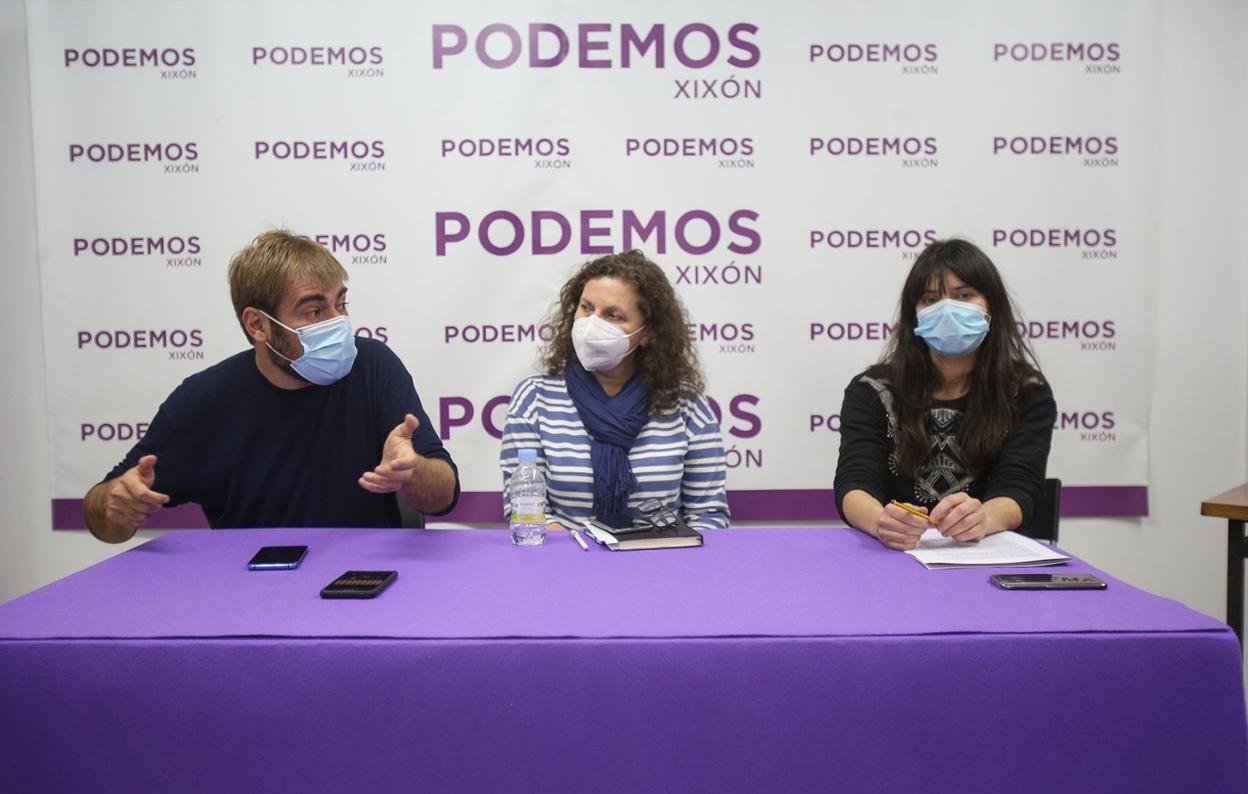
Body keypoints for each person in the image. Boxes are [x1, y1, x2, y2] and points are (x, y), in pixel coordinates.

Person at [84, 230, 459, 542]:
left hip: (362, 582)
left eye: (340, 304)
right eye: (314, 311)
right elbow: (107, 522)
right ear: (258, 325)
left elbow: (443, 495)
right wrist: (117, 505)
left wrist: (414, 473)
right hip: (250, 593)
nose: (338, 323)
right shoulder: (205, 400)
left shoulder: (374, 366)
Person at [834, 238, 1057, 551]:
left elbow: (1020, 484)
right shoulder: (871, 390)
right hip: (896, 556)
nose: (948, 310)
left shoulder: (1026, 392)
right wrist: (880, 521)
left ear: (991, 307)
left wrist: (985, 518)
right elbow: (854, 482)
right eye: (930, 299)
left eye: (964, 296)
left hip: (985, 557)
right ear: (914, 315)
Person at [500, 250, 730, 532]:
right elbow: (524, 512)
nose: (591, 324)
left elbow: (709, 516)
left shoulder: (685, 406)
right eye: (586, 308)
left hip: (664, 566)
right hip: (567, 565)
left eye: (613, 315)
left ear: (647, 333)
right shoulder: (534, 399)